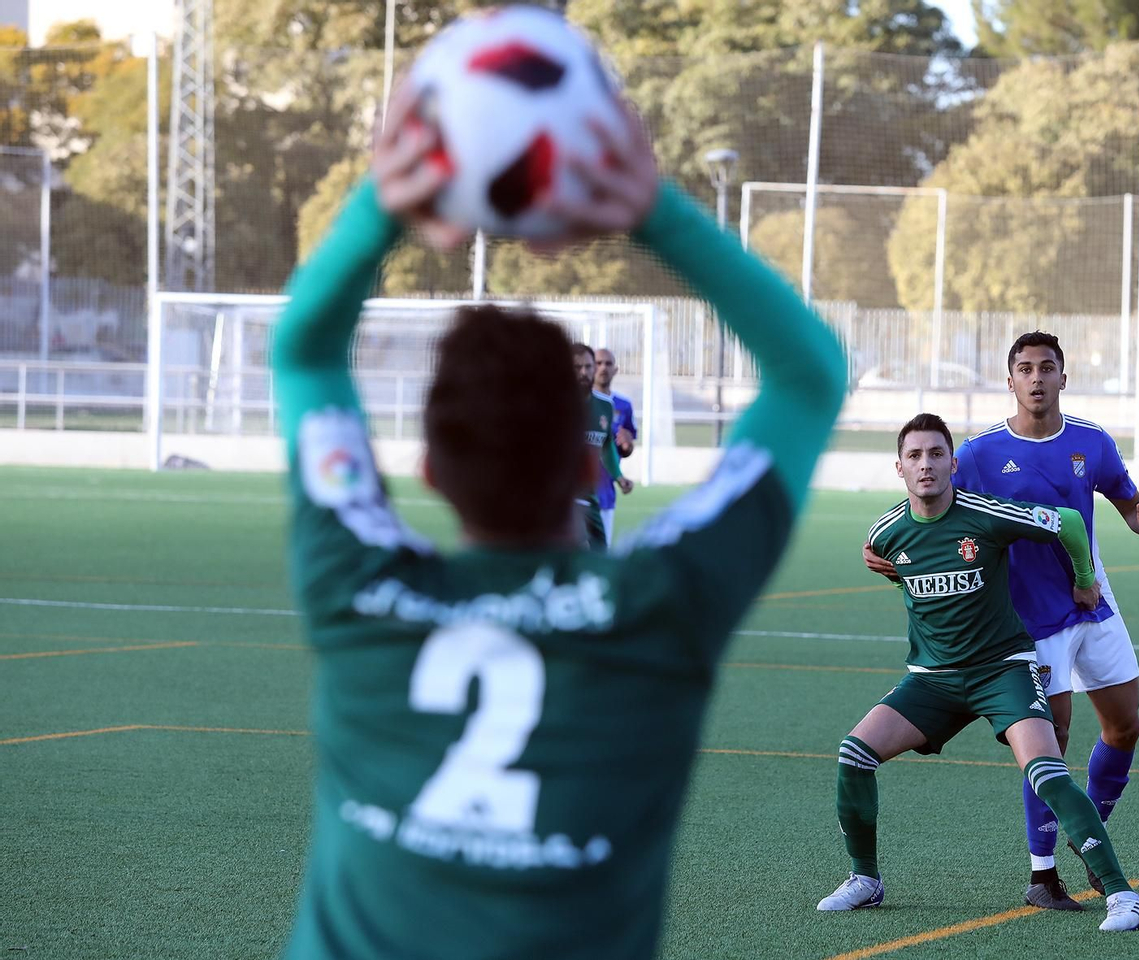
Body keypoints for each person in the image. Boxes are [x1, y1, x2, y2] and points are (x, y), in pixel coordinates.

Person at [274, 85, 847, 960]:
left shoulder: (359, 587)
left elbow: (305, 351)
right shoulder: (661, 602)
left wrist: (387, 201)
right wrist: (645, 206)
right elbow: (809, 374)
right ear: (590, 463)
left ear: (428, 470)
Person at [862, 331, 1139, 908]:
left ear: (1063, 376)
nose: (1036, 378)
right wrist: (893, 555)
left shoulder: (1092, 441)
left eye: (1047, 368)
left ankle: (1091, 829)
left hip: (1093, 601)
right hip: (1030, 620)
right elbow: (931, 509)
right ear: (1010, 380)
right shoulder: (978, 455)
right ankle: (1043, 874)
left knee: (1125, 725)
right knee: (1049, 742)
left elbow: (1123, 496)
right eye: (1025, 369)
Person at [821, 413, 1139, 933]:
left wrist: (1086, 578)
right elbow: (909, 575)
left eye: (935, 454)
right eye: (915, 456)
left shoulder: (983, 514)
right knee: (854, 753)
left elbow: (1066, 521)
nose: (926, 465)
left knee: (1046, 770)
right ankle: (865, 878)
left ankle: (1123, 896)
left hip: (1003, 671)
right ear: (900, 469)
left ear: (954, 464)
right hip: (933, 679)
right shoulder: (885, 533)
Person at [572, 342, 631, 547]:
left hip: (590, 498)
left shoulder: (605, 406)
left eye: (588, 367)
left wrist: (619, 476)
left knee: (600, 555)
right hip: (561, 500)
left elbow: (606, 447)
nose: (584, 372)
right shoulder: (554, 405)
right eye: (577, 367)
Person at [593, 347, 638, 544]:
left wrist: (627, 447)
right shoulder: (576, 402)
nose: (603, 368)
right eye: (598, 363)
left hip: (605, 492)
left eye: (608, 363)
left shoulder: (623, 405)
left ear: (615, 369)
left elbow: (622, 448)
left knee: (600, 554)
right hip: (576, 492)